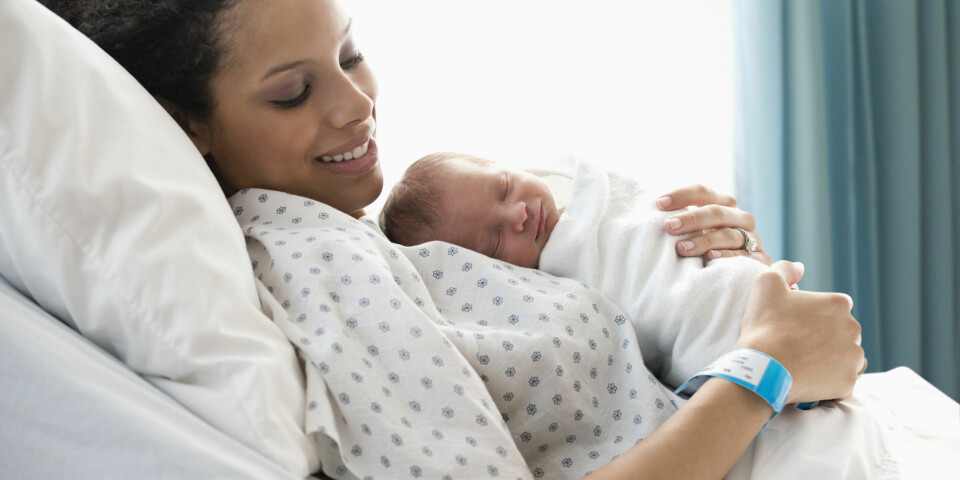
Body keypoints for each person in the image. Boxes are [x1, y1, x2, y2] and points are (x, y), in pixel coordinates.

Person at [47, 0, 864, 478]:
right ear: (188, 127)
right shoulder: (313, 261)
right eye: (293, 92)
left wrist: (688, 260)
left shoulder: (386, 238)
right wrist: (761, 369)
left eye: (349, 54)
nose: (355, 106)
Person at [379, 151, 772, 389]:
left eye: (503, 186)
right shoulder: (550, 292)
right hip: (719, 327)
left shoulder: (592, 189)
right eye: (495, 239)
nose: (517, 213)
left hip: (745, 275)